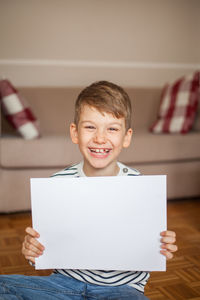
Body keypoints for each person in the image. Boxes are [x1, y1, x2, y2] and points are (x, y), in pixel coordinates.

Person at [0, 81, 177, 300]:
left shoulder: (140, 186)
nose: (100, 138)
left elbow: (149, 246)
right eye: (90, 127)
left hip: (121, 291)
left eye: (112, 128)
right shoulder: (57, 184)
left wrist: (161, 245)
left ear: (127, 137)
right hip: (63, 285)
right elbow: (44, 247)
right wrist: (32, 251)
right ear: (75, 133)